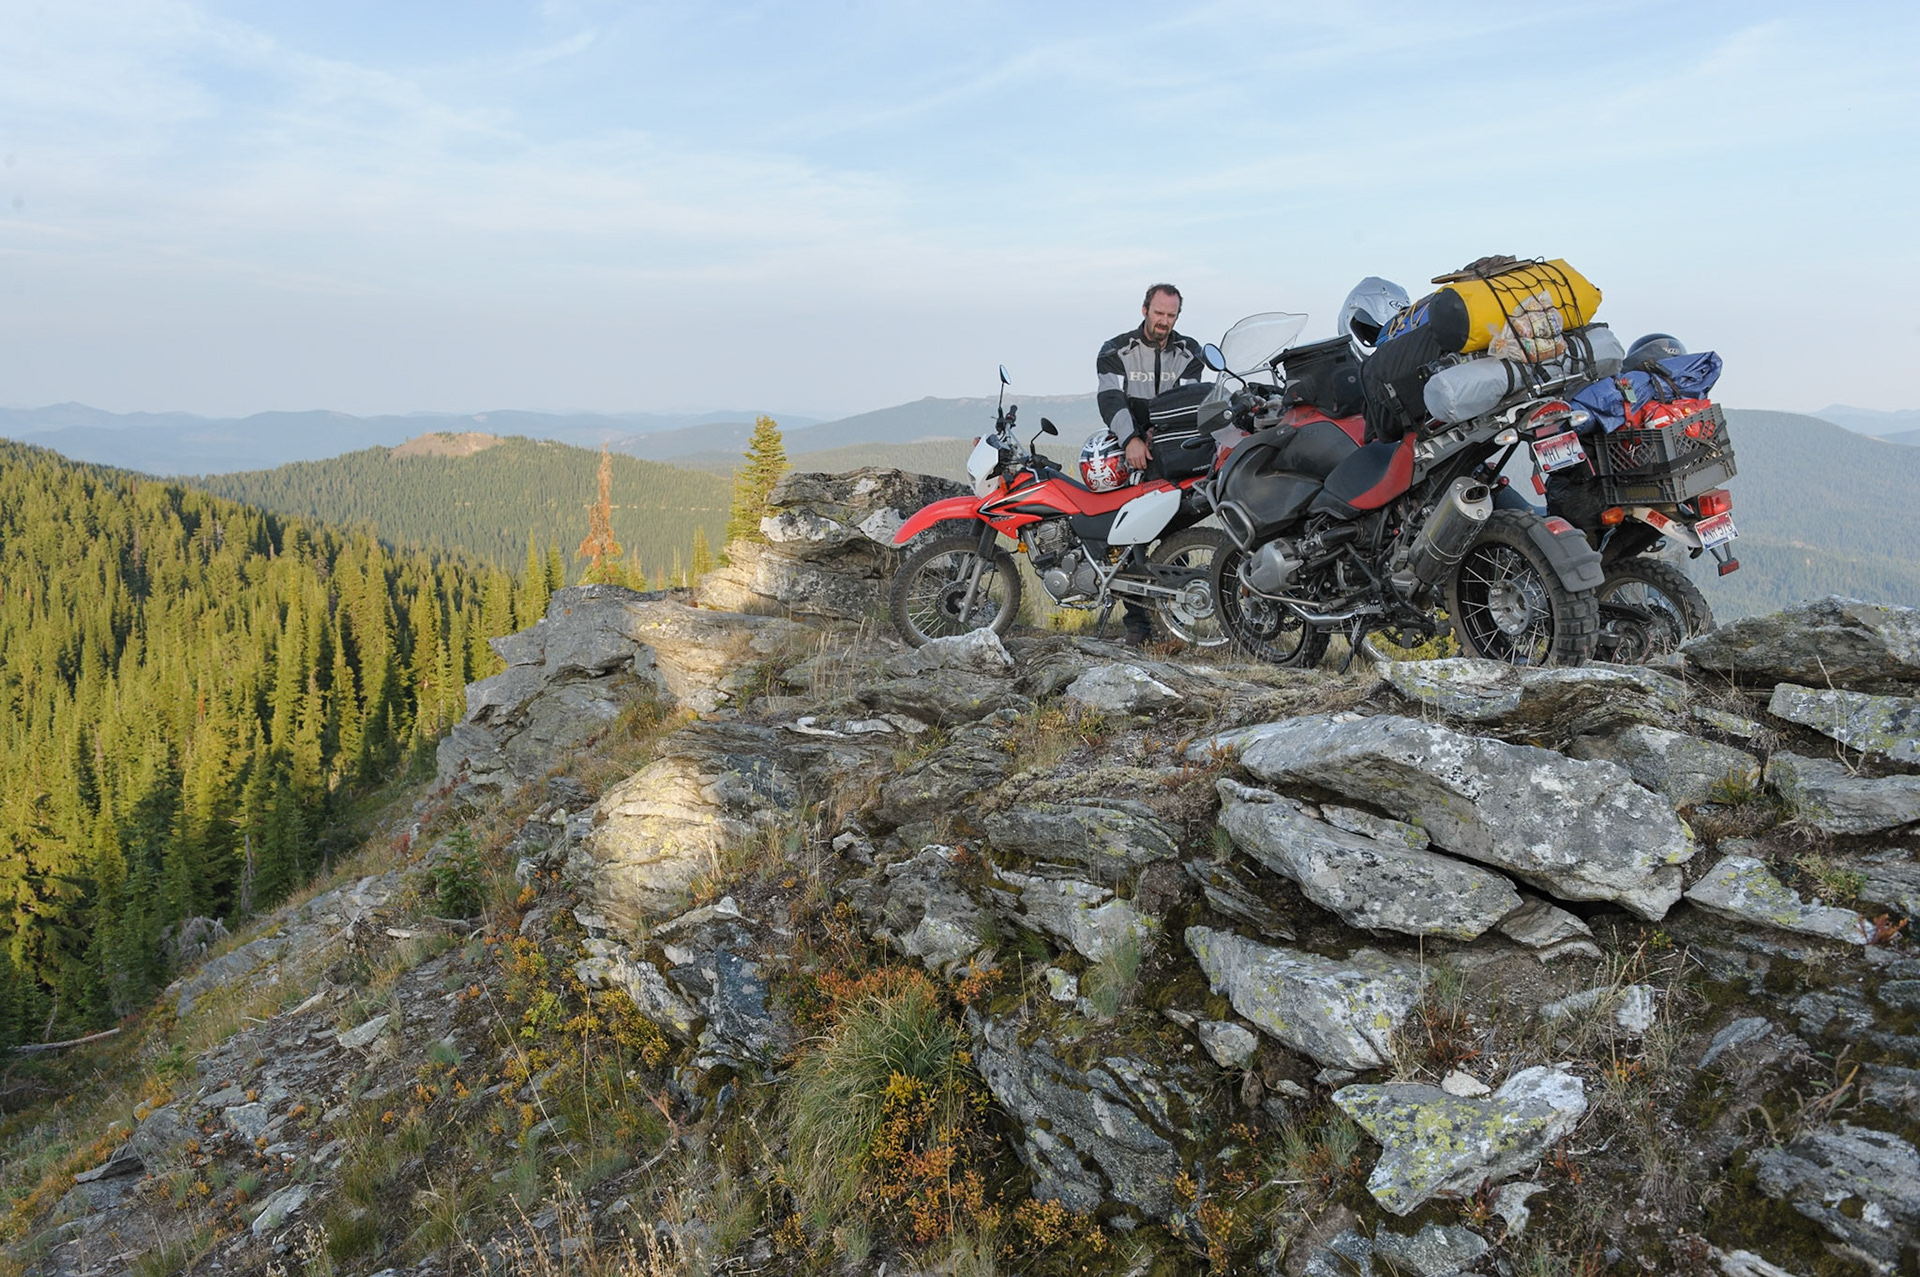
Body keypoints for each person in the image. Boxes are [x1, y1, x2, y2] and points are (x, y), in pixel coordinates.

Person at [1095, 283, 1204, 645]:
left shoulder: (1190, 352)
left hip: (1171, 453)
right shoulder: (1116, 350)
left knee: (1171, 535)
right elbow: (1111, 399)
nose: (1164, 322)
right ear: (1145, 310)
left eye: (1171, 315)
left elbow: (1187, 399)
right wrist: (1132, 440)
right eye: (1159, 313)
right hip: (1127, 451)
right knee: (1127, 537)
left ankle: (1172, 623)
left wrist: (1162, 433)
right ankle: (1137, 625)